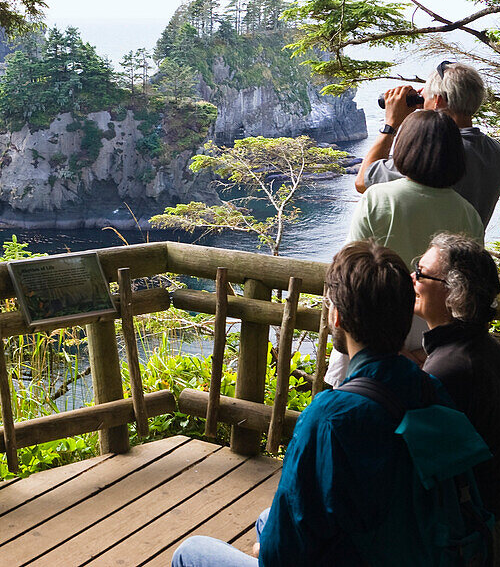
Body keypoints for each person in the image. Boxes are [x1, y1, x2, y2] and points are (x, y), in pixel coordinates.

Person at [171, 240, 461, 567]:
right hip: (414, 552)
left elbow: (282, 556)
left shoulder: (329, 417)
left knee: (190, 552)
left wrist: (267, 552)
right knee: (268, 520)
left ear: (336, 317)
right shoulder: (431, 390)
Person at [325, 110, 484, 387]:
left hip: (371, 334)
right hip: (433, 346)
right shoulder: (467, 213)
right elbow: (471, 293)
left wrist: (389, 348)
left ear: (404, 147)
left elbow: (351, 271)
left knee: (356, 413)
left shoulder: (378, 197)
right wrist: (424, 351)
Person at [416, 233, 500, 566]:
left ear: (454, 293)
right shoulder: (482, 347)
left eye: (422, 272)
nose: (413, 278)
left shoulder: (450, 368)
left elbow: (419, 469)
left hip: (481, 534)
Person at [356, 60, 500, 226]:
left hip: (430, 251)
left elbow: (364, 181)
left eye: (425, 96)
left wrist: (391, 124)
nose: (421, 100)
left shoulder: (437, 151)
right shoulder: (495, 150)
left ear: (439, 101)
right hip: (470, 249)